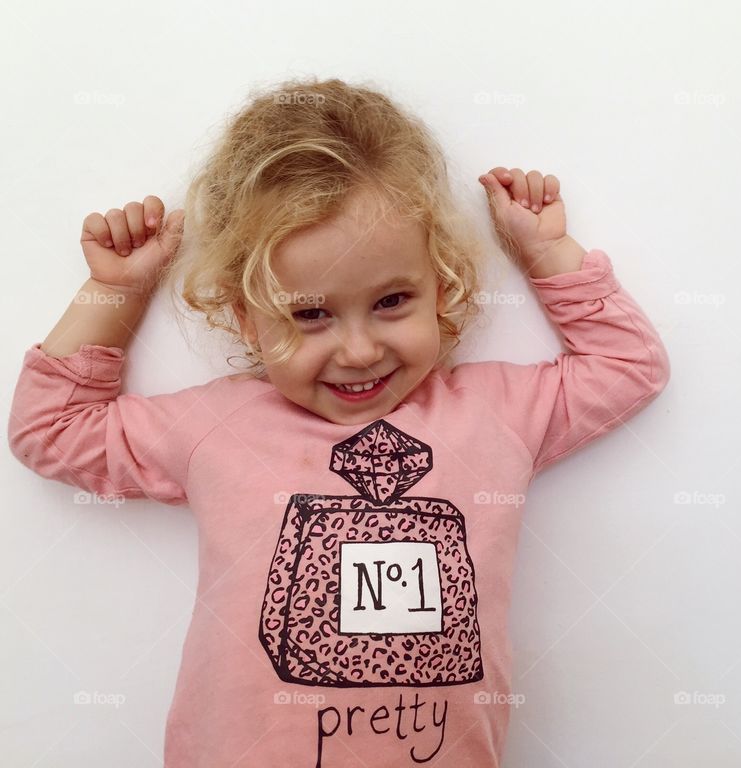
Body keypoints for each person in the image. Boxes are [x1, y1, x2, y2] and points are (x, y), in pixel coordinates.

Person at [8, 76, 670, 767]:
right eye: (310, 314)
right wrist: (114, 292)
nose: (358, 351)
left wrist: (545, 254)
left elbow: (629, 368)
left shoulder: (496, 415)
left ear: (440, 287)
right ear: (246, 319)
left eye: (391, 301)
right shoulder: (218, 426)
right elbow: (50, 428)